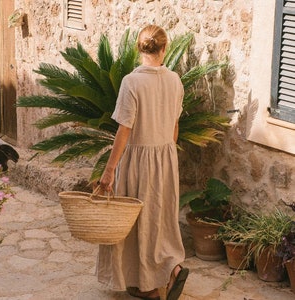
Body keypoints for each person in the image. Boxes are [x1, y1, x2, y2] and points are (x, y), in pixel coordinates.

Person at [96, 24, 189, 300]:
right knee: (160, 220)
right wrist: (167, 153)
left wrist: (109, 169)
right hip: (165, 158)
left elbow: (125, 129)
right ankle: (173, 269)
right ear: (164, 49)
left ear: (139, 49)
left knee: (139, 222)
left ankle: (148, 286)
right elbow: (174, 127)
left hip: (138, 160)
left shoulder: (131, 82)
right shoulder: (175, 80)